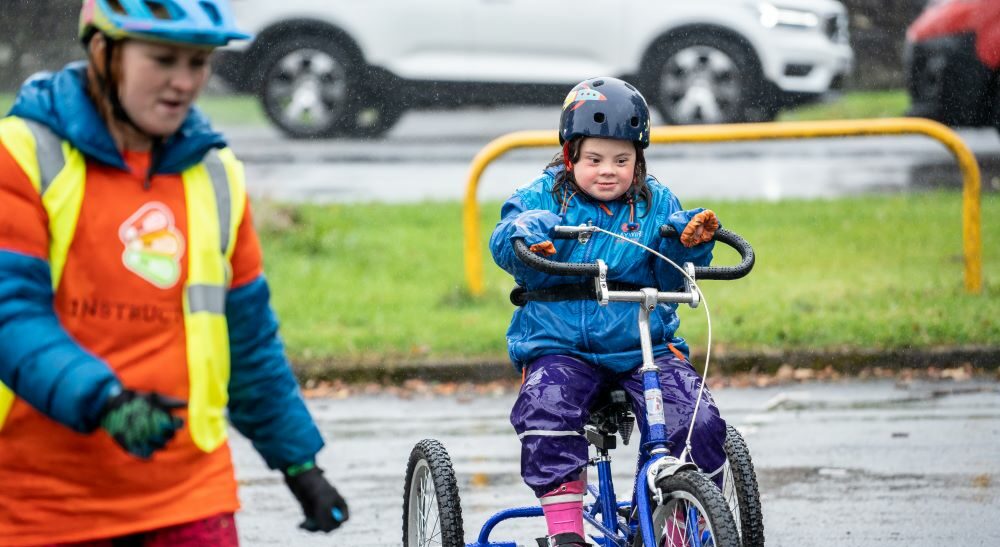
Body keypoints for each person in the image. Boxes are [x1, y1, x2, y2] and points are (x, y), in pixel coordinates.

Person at [0, 1, 348, 545]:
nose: (183, 82)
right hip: (42, 504)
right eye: (162, 60)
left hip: (189, 499)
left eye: (197, 62)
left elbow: (248, 340)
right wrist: (105, 400)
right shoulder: (22, 156)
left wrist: (299, 464)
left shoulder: (215, 174)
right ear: (102, 51)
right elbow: (11, 318)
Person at [489, 77, 728, 547]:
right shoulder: (542, 199)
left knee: (697, 421)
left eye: (622, 160)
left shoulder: (656, 204)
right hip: (561, 346)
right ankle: (566, 534)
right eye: (594, 159)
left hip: (644, 345)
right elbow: (505, 241)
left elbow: (673, 279)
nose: (607, 171)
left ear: (639, 161)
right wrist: (527, 237)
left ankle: (671, 520)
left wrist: (687, 244)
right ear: (569, 156)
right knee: (546, 411)